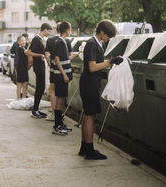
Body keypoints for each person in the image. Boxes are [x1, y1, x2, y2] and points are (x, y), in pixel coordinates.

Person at [78, 20, 122, 160]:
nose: (108, 38)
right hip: (89, 84)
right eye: (108, 35)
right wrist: (109, 62)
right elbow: (92, 67)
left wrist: (110, 63)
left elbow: (96, 65)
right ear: (102, 32)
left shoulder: (97, 44)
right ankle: (90, 150)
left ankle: (84, 147)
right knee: (91, 116)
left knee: (87, 115)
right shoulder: (92, 44)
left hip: (89, 83)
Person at [26, 23, 52, 118]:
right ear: (44, 30)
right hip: (38, 66)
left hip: (41, 65)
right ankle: (35, 110)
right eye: (49, 31)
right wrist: (40, 55)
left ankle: (37, 108)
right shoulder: (36, 39)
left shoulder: (41, 39)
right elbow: (28, 52)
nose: (49, 33)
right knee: (40, 88)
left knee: (41, 88)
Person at [52, 21, 74, 135]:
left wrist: (78, 54)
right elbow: (56, 59)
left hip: (62, 76)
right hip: (61, 77)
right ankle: (57, 125)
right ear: (66, 30)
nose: (70, 32)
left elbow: (65, 58)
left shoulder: (63, 42)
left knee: (61, 100)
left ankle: (60, 123)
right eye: (70, 29)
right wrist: (64, 74)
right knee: (59, 101)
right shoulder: (60, 42)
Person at [11, 33, 29, 98]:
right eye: (22, 40)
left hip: (24, 68)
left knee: (25, 84)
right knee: (19, 84)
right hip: (20, 68)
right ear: (18, 42)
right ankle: (18, 98)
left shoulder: (24, 47)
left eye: (24, 40)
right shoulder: (20, 48)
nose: (24, 41)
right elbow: (27, 52)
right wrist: (30, 44)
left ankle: (23, 98)